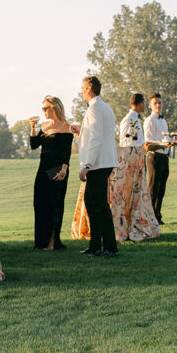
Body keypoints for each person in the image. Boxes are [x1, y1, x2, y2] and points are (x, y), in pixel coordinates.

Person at [106, 93, 159, 242]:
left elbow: (136, 140)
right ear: (140, 103)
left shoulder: (135, 119)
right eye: (143, 103)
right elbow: (127, 142)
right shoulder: (129, 120)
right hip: (131, 162)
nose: (144, 106)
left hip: (137, 159)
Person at [76, 75, 119, 258]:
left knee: (99, 205)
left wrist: (87, 164)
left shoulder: (94, 108)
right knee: (91, 203)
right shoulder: (105, 107)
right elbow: (94, 134)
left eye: (82, 87)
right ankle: (95, 245)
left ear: (89, 88)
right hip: (103, 161)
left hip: (98, 164)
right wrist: (79, 134)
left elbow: (96, 139)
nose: (81, 91)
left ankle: (110, 247)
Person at [28, 96, 74, 250]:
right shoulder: (45, 126)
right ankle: (41, 242)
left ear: (54, 108)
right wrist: (33, 127)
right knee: (40, 204)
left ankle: (53, 242)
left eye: (45, 108)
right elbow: (34, 145)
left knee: (55, 205)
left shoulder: (66, 127)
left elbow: (66, 151)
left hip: (58, 170)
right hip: (43, 170)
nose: (43, 112)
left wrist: (64, 169)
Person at [144, 92, 172, 225]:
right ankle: (151, 217)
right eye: (155, 103)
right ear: (150, 105)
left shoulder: (164, 121)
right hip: (154, 157)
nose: (158, 105)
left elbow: (164, 139)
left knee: (162, 188)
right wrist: (163, 144)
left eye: (160, 102)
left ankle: (158, 215)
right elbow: (148, 143)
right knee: (153, 188)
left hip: (164, 156)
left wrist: (170, 142)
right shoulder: (149, 121)